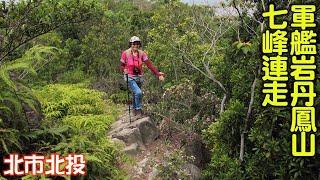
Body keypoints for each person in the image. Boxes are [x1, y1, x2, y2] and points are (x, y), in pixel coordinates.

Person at [120, 36, 165, 117]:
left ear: (139, 44)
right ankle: (138, 110)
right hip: (129, 77)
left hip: (139, 77)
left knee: (135, 94)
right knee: (138, 92)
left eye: (137, 44)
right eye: (134, 43)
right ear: (131, 44)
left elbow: (149, 65)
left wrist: (157, 74)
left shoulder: (142, 54)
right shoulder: (125, 53)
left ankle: (134, 109)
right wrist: (124, 70)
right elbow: (122, 65)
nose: (135, 45)